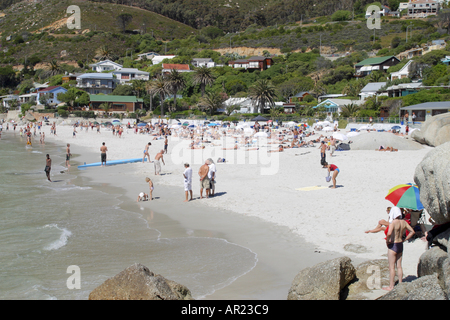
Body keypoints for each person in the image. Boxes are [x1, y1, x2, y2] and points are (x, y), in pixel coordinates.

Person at [384, 214, 415, 291]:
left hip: (393, 244)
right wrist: (405, 239)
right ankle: (400, 283)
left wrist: (387, 241)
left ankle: (391, 286)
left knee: (391, 267)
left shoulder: (393, 222)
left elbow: (389, 233)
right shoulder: (403, 222)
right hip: (400, 244)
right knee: (399, 266)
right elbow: (412, 231)